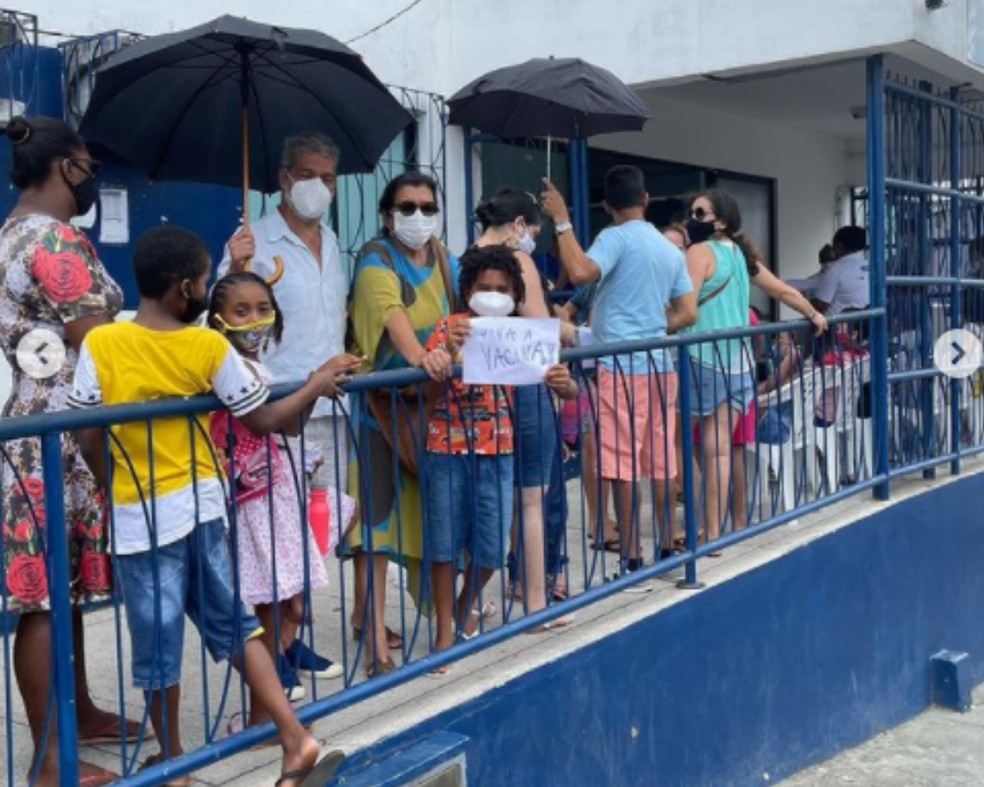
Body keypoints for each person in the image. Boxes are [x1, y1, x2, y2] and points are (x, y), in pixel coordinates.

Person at [70, 226, 344, 787]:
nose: (202, 290)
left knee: (157, 645)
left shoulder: (101, 343)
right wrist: (315, 383)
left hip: (138, 518)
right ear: (181, 290)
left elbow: (87, 434)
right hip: (202, 509)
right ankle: (296, 737)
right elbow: (261, 417)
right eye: (200, 282)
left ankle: (172, 767)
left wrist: (110, 482)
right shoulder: (207, 346)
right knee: (237, 627)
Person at [0, 115, 144, 786]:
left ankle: (79, 711)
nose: (91, 179)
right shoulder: (53, 239)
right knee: (42, 597)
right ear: (66, 168)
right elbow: (98, 337)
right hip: (49, 441)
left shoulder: (11, 232)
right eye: (87, 165)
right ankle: (51, 759)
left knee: (63, 587)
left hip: (39, 432)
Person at [221, 132, 349, 681]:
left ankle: (296, 636)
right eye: (309, 175)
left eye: (329, 177)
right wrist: (232, 261)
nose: (319, 187)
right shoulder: (254, 242)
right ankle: (272, 651)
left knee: (314, 533)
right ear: (283, 178)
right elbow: (221, 314)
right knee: (272, 540)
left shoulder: (335, 242)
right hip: (275, 409)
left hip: (331, 408)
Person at [206, 271, 360, 724]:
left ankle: (272, 696)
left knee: (291, 603)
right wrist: (313, 383)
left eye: (262, 309)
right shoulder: (223, 363)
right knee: (271, 606)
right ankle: (265, 712)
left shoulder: (259, 367)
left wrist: (315, 386)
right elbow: (262, 421)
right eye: (241, 311)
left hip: (280, 492)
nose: (254, 320)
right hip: (252, 502)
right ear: (218, 319)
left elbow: (289, 425)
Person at [425, 245, 577, 670]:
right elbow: (425, 393)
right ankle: (442, 637)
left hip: (498, 451)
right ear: (467, 290)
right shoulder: (448, 328)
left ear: (514, 295)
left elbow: (560, 387)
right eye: (483, 288)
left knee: (492, 551)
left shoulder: (521, 337)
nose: (492, 295)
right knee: (444, 546)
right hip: (447, 448)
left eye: (501, 289)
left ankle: (462, 607)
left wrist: (567, 386)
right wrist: (445, 358)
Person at [542, 166, 697, 578]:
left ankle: (630, 557)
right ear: (645, 199)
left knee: (622, 463)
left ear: (607, 205)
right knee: (662, 461)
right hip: (660, 365)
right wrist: (651, 325)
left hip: (620, 366)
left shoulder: (613, 237)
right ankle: (667, 548)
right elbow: (688, 312)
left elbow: (580, 273)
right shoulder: (669, 249)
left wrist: (561, 220)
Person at [345, 171, 461, 677]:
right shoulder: (376, 258)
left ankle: (415, 618)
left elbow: (467, 305)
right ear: (388, 213)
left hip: (430, 408)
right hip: (380, 409)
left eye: (426, 206)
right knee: (376, 525)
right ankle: (374, 643)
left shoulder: (443, 257)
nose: (418, 216)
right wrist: (423, 358)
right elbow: (388, 313)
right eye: (407, 206)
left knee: (421, 516)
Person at [682, 189, 827, 544]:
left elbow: (684, 307)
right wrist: (813, 314)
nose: (692, 219)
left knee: (687, 445)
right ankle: (718, 530)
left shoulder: (699, 253)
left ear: (720, 219)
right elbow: (782, 291)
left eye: (699, 213)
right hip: (739, 361)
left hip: (704, 356)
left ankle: (708, 531)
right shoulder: (742, 257)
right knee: (719, 450)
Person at [472, 188, 574, 613]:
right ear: (518, 227)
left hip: (475, 390)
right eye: (533, 229)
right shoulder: (520, 262)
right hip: (525, 385)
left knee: (482, 498)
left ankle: (469, 605)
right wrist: (565, 325)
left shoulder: (462, 260)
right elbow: (539, 325)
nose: (532, 238)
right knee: (533, 497)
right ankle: (536, 605)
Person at [808, 226, 869, 316]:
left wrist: (802, 300)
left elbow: (820, 305)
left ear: (838, 246)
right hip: (868, 323)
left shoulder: (835, 269)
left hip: (839, 325)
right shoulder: (870, 266)